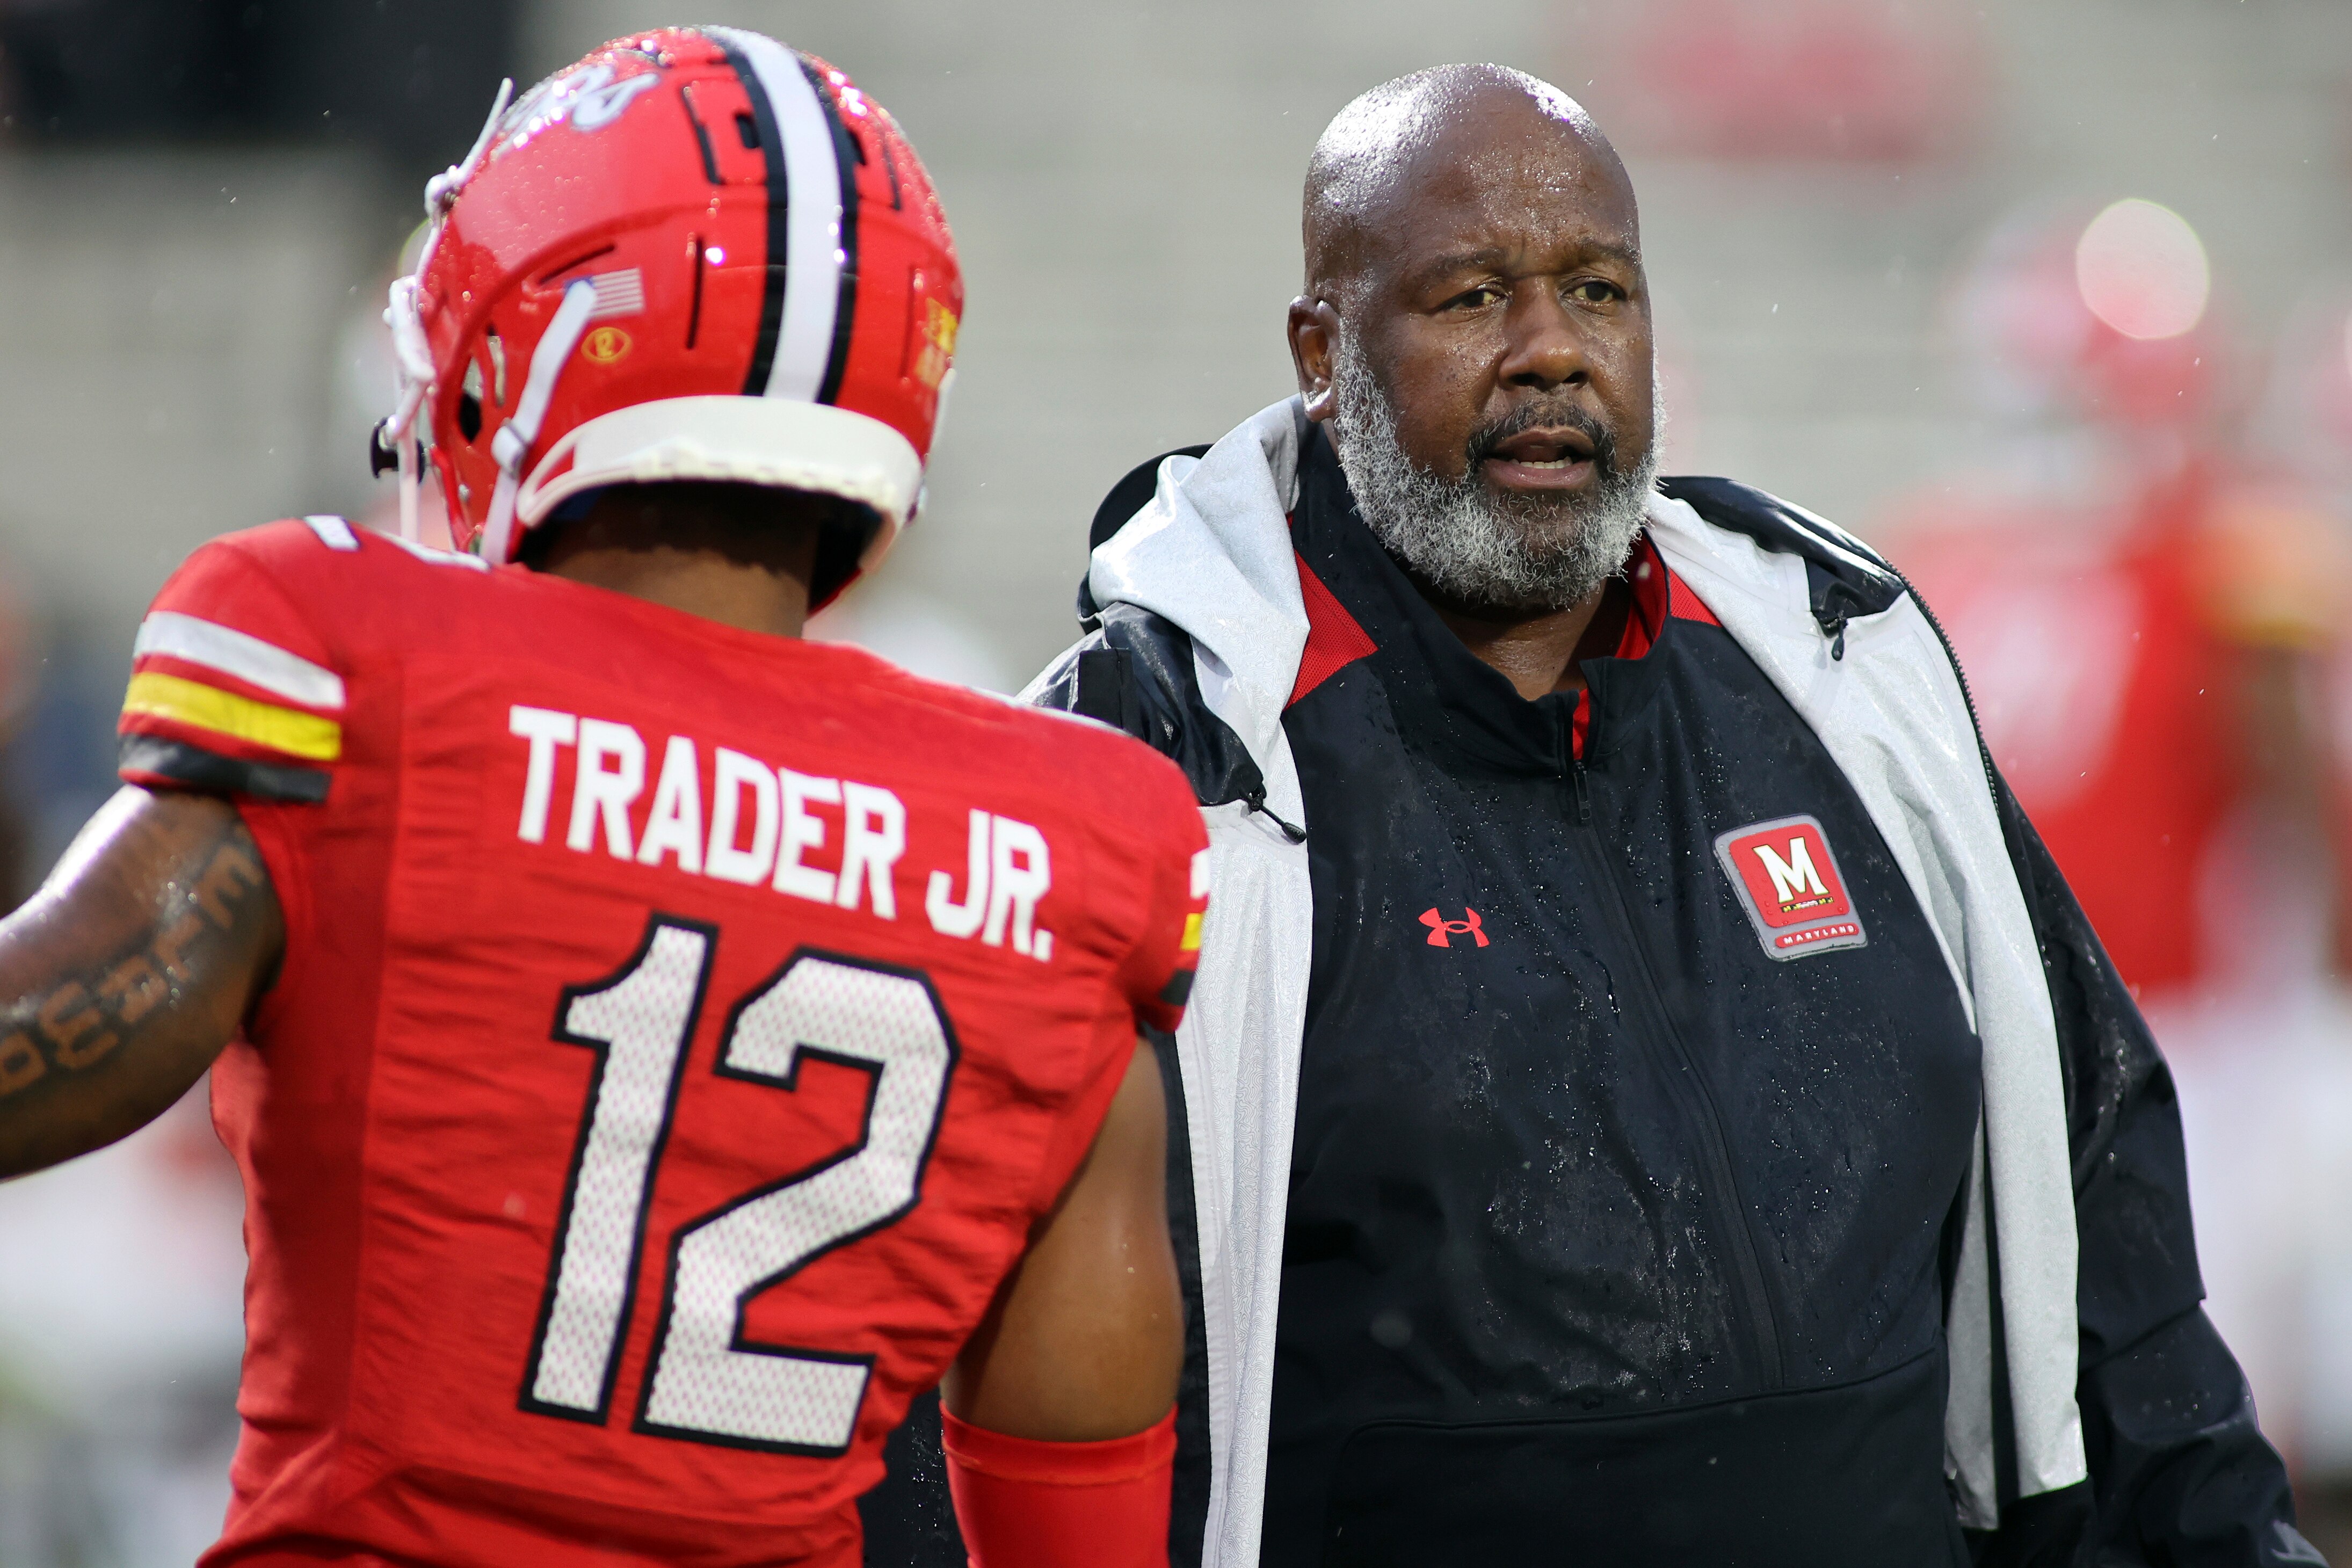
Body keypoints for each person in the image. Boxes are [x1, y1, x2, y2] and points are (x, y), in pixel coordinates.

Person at [1010, 64, 2312, 1565]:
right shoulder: (1158, 764)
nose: (1550, 351)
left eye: (1598, 291)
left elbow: (2097, 1217)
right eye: (1470, 296)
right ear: (1321, 348)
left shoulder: (1845, 667)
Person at [0, 30, 1206, 1567]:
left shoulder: (370, 670)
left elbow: (60, 1025)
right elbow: (1078, 1523)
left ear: (523, 343)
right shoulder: (1075, 848)